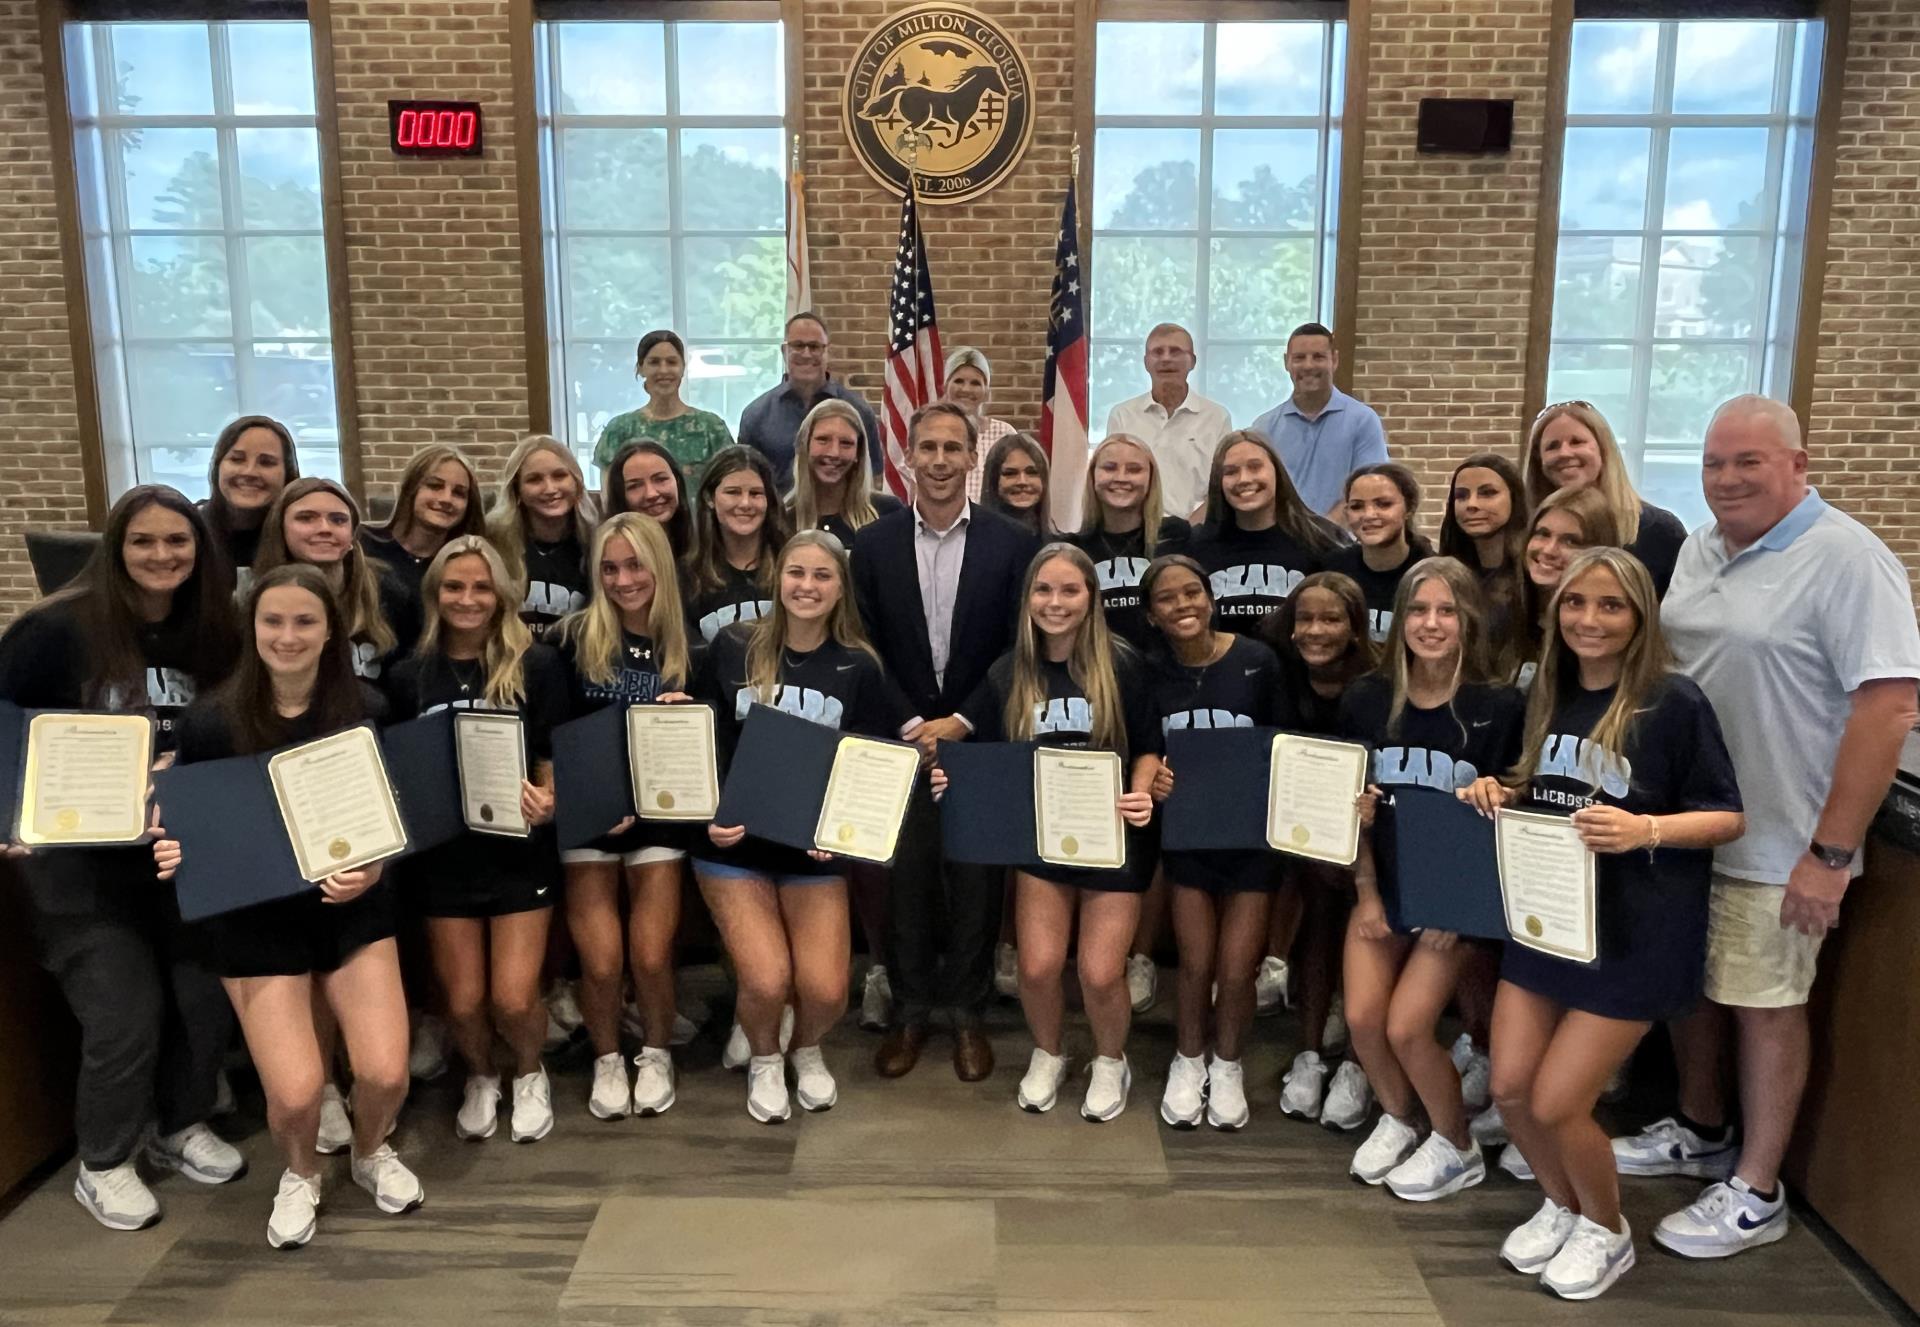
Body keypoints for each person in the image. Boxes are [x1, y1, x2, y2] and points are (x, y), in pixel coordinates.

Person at [1621, 396, 1920, 1260]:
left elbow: (1890, 704)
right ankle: (1702, 1127)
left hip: (1781, 836)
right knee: (1697, 991)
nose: (1727, 479)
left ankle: (1757, 1186)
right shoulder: (1701, 551)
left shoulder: (1848, 558)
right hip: (1688, 822)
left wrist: (1829, 853)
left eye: (1748, 461)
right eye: (1714, 462)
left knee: (1765, 1005)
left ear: (1798, 462)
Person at [1456, 547, 1744, 1300]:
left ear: (1639, 616)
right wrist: (1497, 790)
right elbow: (1541, 786)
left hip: (1633, 935)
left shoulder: (1673, 702)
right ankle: (1564, 1203)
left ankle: (1607, 1228)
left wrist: (1644, 829)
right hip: (1549, 922)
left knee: (1558, 1101)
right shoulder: (1544, 697)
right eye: (1576, 603)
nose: (1590, 618)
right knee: (1512, 1090)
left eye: (1610, 605)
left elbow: (1727, 817)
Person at [152, 564, 421, 1248]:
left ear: (331, 629)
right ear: (252, 627)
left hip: (351, 909)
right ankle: (301, 1173)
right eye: (273, 620)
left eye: (305, 620)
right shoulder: (209, 720)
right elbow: (190, 825)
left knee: (385, 1071)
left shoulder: (367, 707)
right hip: (255, 918)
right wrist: (178, 848)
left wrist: (374, 867)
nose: (288, 634)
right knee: (298, 1092)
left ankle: (368, 1151)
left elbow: (394, 819)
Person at [0, 486, 242, 1232]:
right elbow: (6, 733)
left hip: (176, 852)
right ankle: (102, 1161)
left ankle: (179, 1123)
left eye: (179, 540)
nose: (162, 555)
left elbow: (232, 731)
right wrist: (12, 816)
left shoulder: (215, 633)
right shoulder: (54, 631)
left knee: (201, 996)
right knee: (124, 1008)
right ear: (115, 547)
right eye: (144, 541)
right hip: (80, 865)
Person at [852, 401, 1042, 1080]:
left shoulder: (1011, 543)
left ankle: (966, 1012)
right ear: (906, 455)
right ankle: (910, 1010)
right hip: (899, 739)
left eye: (952, 448)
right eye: (925, 447)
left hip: (980, 734)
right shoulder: (870, 546)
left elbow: (1020, 647)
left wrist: (962, 719)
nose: (937, 460)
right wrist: (912, 723)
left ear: (971, 458)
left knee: (975, 881)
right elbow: (862, 644)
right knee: (903, 877)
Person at [696, 531, 914, 1122]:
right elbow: (699, 743)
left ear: (841, 588)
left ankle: (805, 1046)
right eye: (796, 573)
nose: (807, 586)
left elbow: (874, 760)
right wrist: (708, 816)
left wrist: (844, 831)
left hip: (813, 852)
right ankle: (767, 1058)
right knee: (767, 980)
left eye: (822, 576)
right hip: (734, 845)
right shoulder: (732, 647)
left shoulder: (859, 665)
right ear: (778, 578)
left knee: (824, 991)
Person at [940, 544, 1159, 1120]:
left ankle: (1111, 1060)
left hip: (1111, 836)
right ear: (1027, 599)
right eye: (1044, 590)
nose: (1055, 602)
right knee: (1036, 968)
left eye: (1069, 590)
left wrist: (1141, 789)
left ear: (1091, 598)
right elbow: (982, 757)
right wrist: (951, 782)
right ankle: (1050, 1052)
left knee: (1099, 970)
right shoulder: (1008, 670)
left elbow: (1150, 746)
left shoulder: (1124, 664)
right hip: (1039, 838)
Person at [1340, 558, 1525, 1201]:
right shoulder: (1367, 698)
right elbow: (1349, 810)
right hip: (1384, 884)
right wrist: (1365, 890)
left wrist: (1498, 793)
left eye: (1447, 610)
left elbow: (1517, 808)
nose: (1431, 623)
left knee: (1407, 1026)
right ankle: (1400, 1117)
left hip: (1456, 899)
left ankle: (1456, 1143)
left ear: (1467, 619)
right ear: (1400, 621)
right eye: (1419, 610)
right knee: (1364, 1019)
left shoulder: (1498, 704)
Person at [385, 536, 569, 1145]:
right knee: (462, 1004)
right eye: (454, 586)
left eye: (481, 586)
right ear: (435, 594)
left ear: (502, 595)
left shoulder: (536, 664)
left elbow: (551, 754)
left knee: (515, 999)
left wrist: (548, 799)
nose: (468, 599)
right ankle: (482, 1075)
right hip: (443, 861)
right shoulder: (408, 675)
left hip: (518, 853)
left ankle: (530, 1071)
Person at [548, 514, 698, 1120]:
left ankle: (655, 1052)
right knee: (603, 960)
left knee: (652, 956)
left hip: (661, 818)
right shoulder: (568, 640)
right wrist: (591, 802)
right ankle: (608, 1057)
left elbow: (708, 747)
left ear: (658, 565)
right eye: (609, 568)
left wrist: (691, 717)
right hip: (592, 819)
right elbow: (555, 742)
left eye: (635, 565)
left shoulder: (694, 646)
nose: (622, 579)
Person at [1137, 554, 1280, 1130]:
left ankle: (1227, 1063)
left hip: (1250, 839)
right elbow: (1146, 748)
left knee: (1238, 967)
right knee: (1195, 963)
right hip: (1190, 838)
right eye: (1167, 598)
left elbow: (1282, 744)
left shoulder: (1257, 661)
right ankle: (1188, 1058)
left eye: (1192, 592)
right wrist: (1158, 777)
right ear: (1150, 614)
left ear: (1211, 596)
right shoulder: (1150, 672)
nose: (1183, 605)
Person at [1258, 571, 1377, 1123]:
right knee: (1317, 939)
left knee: (1362, 950)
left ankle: (1357, 1063)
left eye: (1331, 619)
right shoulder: (1279, 676)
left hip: (1370, 843)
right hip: (1302, 837)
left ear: (1356, 627)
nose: (1315, 631)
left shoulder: (1378, 687)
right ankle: (1308, 1053)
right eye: (1304, 618)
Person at [253, 477, 415, 682]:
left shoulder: (389, 593)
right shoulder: (254, 596)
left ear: (353, 534)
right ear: (280, 528)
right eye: (306, 518)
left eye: (338, 520)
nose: (324, 528)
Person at [1522, 401, 1687, 597]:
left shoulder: (1659, 530)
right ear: (1539, 460)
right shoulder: (1527, 530)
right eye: (1552, 446)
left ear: (1603, 449)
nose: (1565, 453)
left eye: (1577, 442)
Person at [1186, 430, 1337, 634]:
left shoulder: (1320, 540)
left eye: (1255, 467)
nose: (1244, 479)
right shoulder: (1197, 547)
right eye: (1230, 472)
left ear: (1277, 471)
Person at [1247, 323, 1388, 521]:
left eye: (1318, 357)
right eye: (1299, 358)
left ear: (1335, 360)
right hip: (1284, 544)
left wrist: (1321, 536)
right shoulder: (1264, 428)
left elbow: (1369, 490)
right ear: (1286, 362)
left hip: (1343, 545)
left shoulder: (1363, 421)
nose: (1308, 365)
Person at [1069, 433, 1192, 651]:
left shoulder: (1176, 535)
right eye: (1110, 467)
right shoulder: (1074, 549)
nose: (1121, 477)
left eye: (1134, 469)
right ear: (1093, 476)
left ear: (1151, 478)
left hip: (1165, 673)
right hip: (1098, 673)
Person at [737, 312, 882, 489]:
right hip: (780, 516)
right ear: (784, 351)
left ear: (827, 351)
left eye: (814, 347)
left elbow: (872, 476)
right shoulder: (756, 415)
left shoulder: (858, 411)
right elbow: (746, 481)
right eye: (798, 346)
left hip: (844, 516)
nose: (806, 354)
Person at [1103, 323, 1232, 519]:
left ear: (1193, 361)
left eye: (1175, 351)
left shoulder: (1216, 417)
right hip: (1136, 530)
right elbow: (1114, 482)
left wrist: (1190, 530)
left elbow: (1222, 488)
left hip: (1197, 532)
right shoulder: (1123, 415)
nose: (1166, 358)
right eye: (1157, 352)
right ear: (1146, 362)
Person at [488, 434, 598, 633]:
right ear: (517, 490)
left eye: (559, 475)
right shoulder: (493, 543)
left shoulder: (596, 543)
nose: (550, 488)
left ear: (576, 482)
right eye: (534, 479)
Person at [358, 445, 487, 610]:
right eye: (435, 486)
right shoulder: (362, 545)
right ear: (411, 488)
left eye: (459, 493)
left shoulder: (464, 562)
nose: (446, 498)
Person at [592, 330, 737, 475]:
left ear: (683, 368)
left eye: (672, 362)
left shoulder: (711, 428)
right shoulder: (619, 431)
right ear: (641, 369)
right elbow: (609, 494)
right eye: (654, 362)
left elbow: (733, 485)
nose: (663, 370)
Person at [686, 446, 791, 644]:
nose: (745, 503)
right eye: (733, 492)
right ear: (709, 498)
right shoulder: (686, 577)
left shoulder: (793, 568)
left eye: (756, 493)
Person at [1438, 453, 1530, 673]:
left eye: (1488, 493)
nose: (1472, 504)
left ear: (1514, 498)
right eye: (1461, 496)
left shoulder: (1532, 575)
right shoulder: (1445, 573)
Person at [1326, 463, 1434, 643]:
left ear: (1409, 508)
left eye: (1383, 504)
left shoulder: (1433, 573)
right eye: (1357, 506)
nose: (1368, 515)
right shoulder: (1332, 570)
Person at [1518, 488, 1620, 674]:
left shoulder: (1598, 633)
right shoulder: (1507, 614)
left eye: (1571, 541)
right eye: (1543, 533)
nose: (1549, 550)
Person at [786, 398, 902, 547]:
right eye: (823, 440)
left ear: (858, 453)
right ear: (805, 446)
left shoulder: (888, 513)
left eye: (846, 443)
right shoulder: (782, 520)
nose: (834, 453)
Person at [199, 415, 299, 585]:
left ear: (287, 474)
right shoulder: (188, 529)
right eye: (237, 459)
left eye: (266, 462)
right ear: (217, 467)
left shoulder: (302, 535)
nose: (249, 472)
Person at [943, 347, 1015, 501]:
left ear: (986, 391)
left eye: (975, 383)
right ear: (945, 386)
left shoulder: (1004, 434)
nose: (966, 389)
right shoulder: (930, 432)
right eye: (958, 381)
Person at [600, 439, 693, 556]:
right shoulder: (609, 552)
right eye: (635, 486)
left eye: (660, 479)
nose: (651, 494)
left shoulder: (701, 547)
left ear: (677, 481)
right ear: (620, 495)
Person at [980, 431, 1053, 537]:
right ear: (993, 480)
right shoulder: (972, 542)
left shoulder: (1060, 545)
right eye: (1010, 473)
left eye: (1032, 472)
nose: (1022, 481)